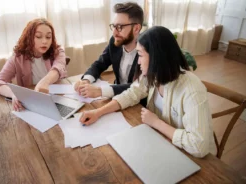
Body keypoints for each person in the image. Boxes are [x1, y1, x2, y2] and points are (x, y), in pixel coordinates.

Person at [79, 26, 217, 158]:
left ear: (157, 57)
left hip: (193, 156)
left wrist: (156, 123)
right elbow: (131, 94)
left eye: (140, 55)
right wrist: (98, 112)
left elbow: (199, 146)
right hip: (163, 142)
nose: (138, 61)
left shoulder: (192, 90)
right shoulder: (152, 74)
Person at [0, 18, 67, 111]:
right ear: (29, 37)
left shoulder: (58, 52)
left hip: (57, 99)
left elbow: (58, 69)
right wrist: (14, 95)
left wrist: (45, 82)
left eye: (48, 37)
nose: (44, 41)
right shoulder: (18, 57)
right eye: (38, 36)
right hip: (31, 104)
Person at [74, 2, 144, 99]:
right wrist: (86, 80)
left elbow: (139, 87)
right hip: (116, 98)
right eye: (114, 26)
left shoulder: (147, 51)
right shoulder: (115, 42)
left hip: (138, 103)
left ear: (136, 28)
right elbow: (99, 64)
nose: (114, 33)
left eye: (120, 27)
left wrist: (100, 91)